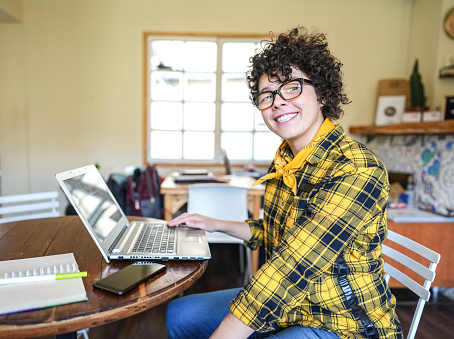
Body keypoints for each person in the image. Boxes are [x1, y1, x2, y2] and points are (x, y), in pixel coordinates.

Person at [166, 27, 403, 339]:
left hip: (347, 322)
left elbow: (294, 264)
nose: (277, 102)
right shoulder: (284, 163)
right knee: (180, 314)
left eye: (291, 87)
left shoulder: (356, 169)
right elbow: (275, 234)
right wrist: (213, 223)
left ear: (322, 94)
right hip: (295, 304)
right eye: (267, 95)